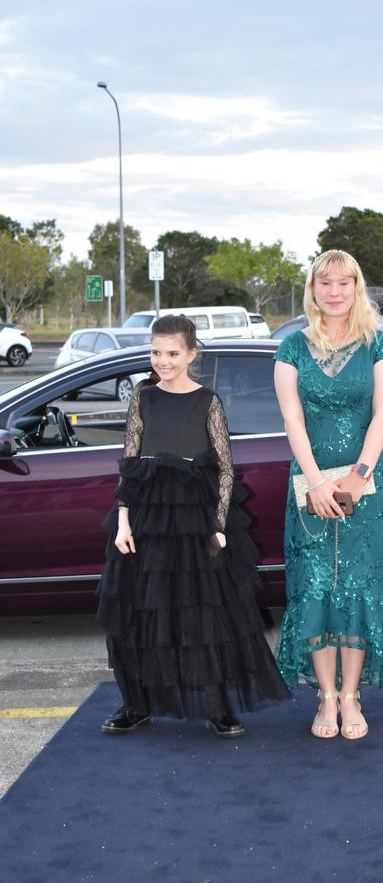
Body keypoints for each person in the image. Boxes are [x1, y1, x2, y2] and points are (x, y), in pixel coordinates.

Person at [97, 314, 289, 736]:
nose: (162, 361)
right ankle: (138, 704)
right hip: (146, 516)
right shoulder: (143, 399)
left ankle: (218, 707)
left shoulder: (208, 401)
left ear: (191, 354)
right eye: (155, 352)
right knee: (143, 612)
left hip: (197, 516)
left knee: (205, 614)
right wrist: (123, 522)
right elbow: (130, 465)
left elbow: (224, 469)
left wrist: (219, 525)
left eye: (171, 353)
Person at [274, 250, 383, 740]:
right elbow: (292, 420)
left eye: (343, 282)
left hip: (366, 484)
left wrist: (359, 475)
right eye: (325, 283)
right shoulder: (292, 347)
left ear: (356, 288)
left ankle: (352, 696)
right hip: (309, 483)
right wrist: (317, 481)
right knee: (316, 587)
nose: (334, 291)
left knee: (358, 590)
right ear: (312, 290)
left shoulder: (378, 344)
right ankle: (324, 696)